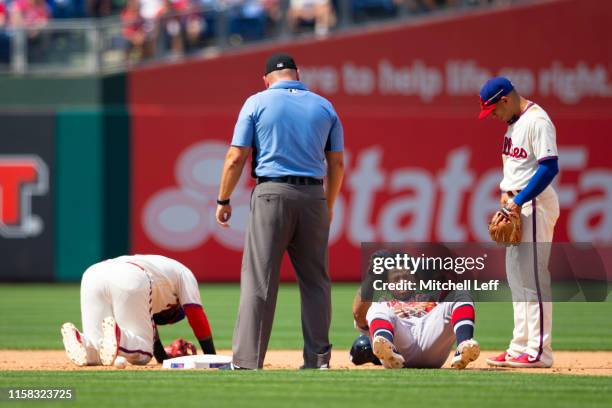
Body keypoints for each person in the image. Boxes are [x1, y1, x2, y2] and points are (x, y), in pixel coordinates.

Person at [215, 52, 344, 369]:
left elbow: (235, 157)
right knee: (316, 282)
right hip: (313, 194)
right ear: (298, 75)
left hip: (271, 192)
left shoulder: (256, 102)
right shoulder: (325, 106)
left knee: (259, 280)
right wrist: (327, 205)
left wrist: (223, 199)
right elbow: (337, 163)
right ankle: (318, 360)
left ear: (266, 79)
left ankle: (247, 361)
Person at [478, 77, 560, 368]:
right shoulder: (513, 124)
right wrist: (505, 197)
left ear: (505, 100)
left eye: (494, 111)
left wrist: (518, 199)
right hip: (516, 204)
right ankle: (519, 347)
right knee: (516, 280)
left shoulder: (538, 121)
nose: (494, 117)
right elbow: (515, 169)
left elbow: (549, 168)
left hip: (534, 204)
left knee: (534, 279)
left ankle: (540, 351)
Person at [60, 254, 216, 367]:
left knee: (97, 351)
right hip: (130, 275)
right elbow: (196, 315)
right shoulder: (184, 273)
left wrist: (164, 358)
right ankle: (120, 337)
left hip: (93, 274)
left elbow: (152, 328)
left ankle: (83, 341)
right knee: (144, 354)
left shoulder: (161, 279)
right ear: (177, 305)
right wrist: (212, 357)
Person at [351, 266, 480, 369]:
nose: (402, 281)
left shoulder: (430, 297)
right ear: (387, 284)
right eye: (396, 278)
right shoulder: (384, 304)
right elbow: (358, 315)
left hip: (431, 342)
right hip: (399, 346)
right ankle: (385, 346)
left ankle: (464, 346)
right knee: (377, 306)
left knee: (460, 293)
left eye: (406, 277)